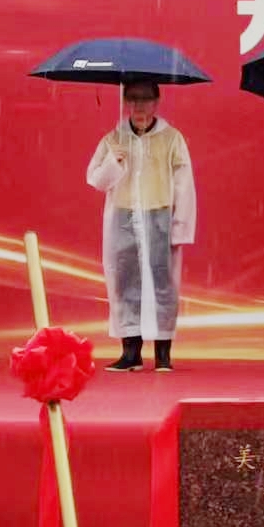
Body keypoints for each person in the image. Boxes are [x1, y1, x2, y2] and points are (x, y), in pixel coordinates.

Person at [84, 79, 197, 372]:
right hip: (123, 218)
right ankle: (130, 352)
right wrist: (113, 162)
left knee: (163, 284)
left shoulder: (172, 138)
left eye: (146, 99)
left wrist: (180, 227)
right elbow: (96, 179)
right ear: (125, 103)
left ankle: (163, 353)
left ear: (156, 102)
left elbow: (184, 185)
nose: (139, 106)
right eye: (133, 99)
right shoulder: (113, 139)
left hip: (159, 217)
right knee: (125, 283)